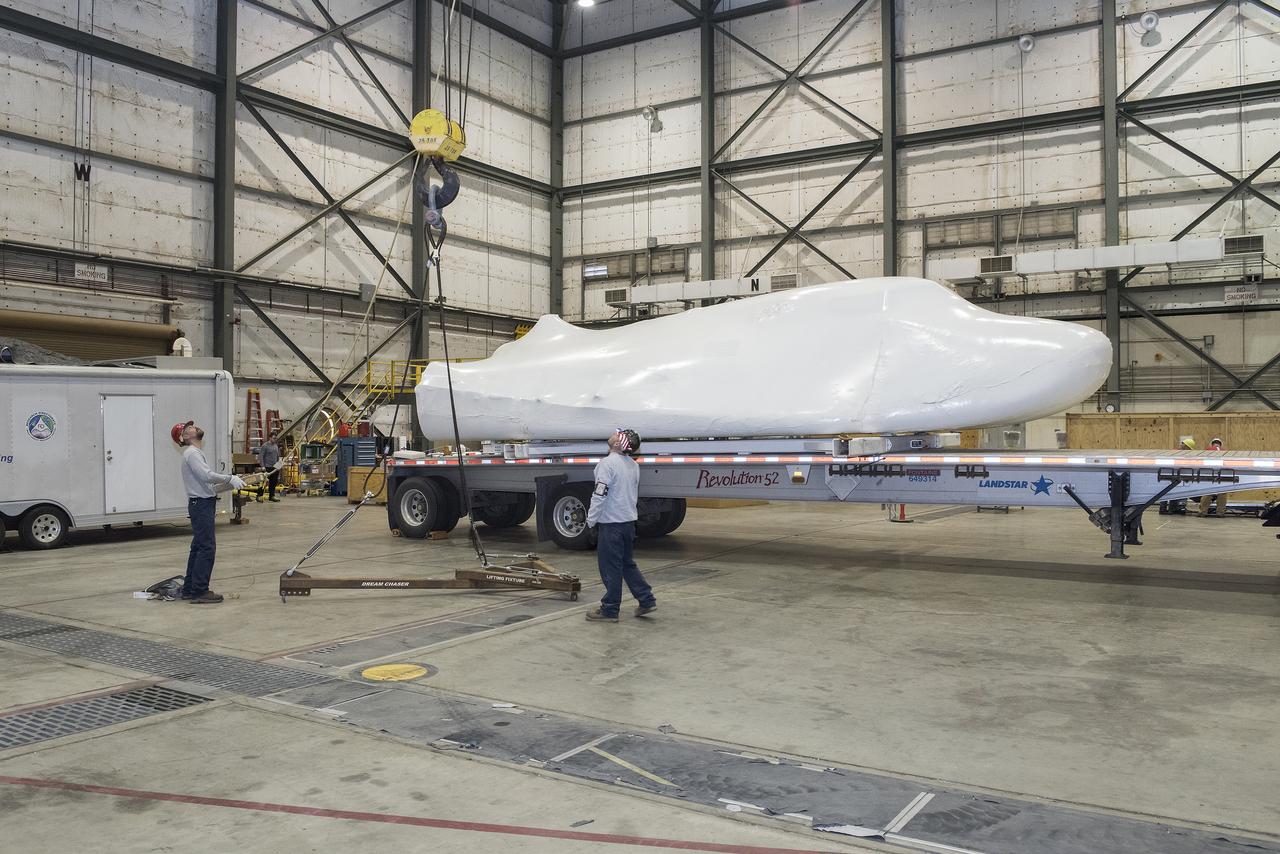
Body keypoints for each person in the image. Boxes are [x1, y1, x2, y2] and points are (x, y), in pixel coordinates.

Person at [584, 428, 657, 623]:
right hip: (627, 523)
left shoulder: (607, 465)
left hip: (611, 525)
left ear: (618, 444)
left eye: (618, 434)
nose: (614, 434)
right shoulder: (633, 465)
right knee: (626, 564)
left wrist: (591, 521)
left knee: (610, 568)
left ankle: (609, 610)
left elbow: (599, 494)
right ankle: (646, 599)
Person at [174, 420, 244, 604]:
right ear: (185, 437)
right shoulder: (192, 453)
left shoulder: (194, 453)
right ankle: (199, 591)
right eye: (189, 428)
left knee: (198, 547)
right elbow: (206, 476)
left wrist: (232, 482)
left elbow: (206, 485)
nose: (194, 428)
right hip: (201, 506)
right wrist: (230, 477)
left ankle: (190, 589)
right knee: (206, 547)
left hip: (202, 503)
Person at [1160, 437, 1196, 515]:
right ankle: (1163, 509)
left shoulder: (1180, 453)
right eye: (1189, 449)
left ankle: (1173, 509)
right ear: (1186, 447)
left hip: (1174, 474)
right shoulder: (1176, 453)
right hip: (1169, 474)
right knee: (1166, 491)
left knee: (1174, 491)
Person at [1199, 437, 1225, 517]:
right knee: (1222, 493)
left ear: (1212, 443)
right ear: (1220, 444)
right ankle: (1220, 512)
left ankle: (1203, 512)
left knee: (1207, 492)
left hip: (1210, 474)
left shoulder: (1208, 450)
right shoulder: (1225, 451)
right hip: (1223, 474)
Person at [254, 431, 283, 502]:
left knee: (273, 482)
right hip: (267, 467)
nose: (275, 440)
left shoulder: (276, 446)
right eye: (273, 438)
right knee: (264, 483)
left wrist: (279, 464)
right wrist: (263, 466)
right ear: (270, 438)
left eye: (276, 438)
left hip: (275, 467)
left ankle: (272, 496)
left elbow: (277, 456)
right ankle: (259, 496)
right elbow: (261, 456)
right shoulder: (265, 446)